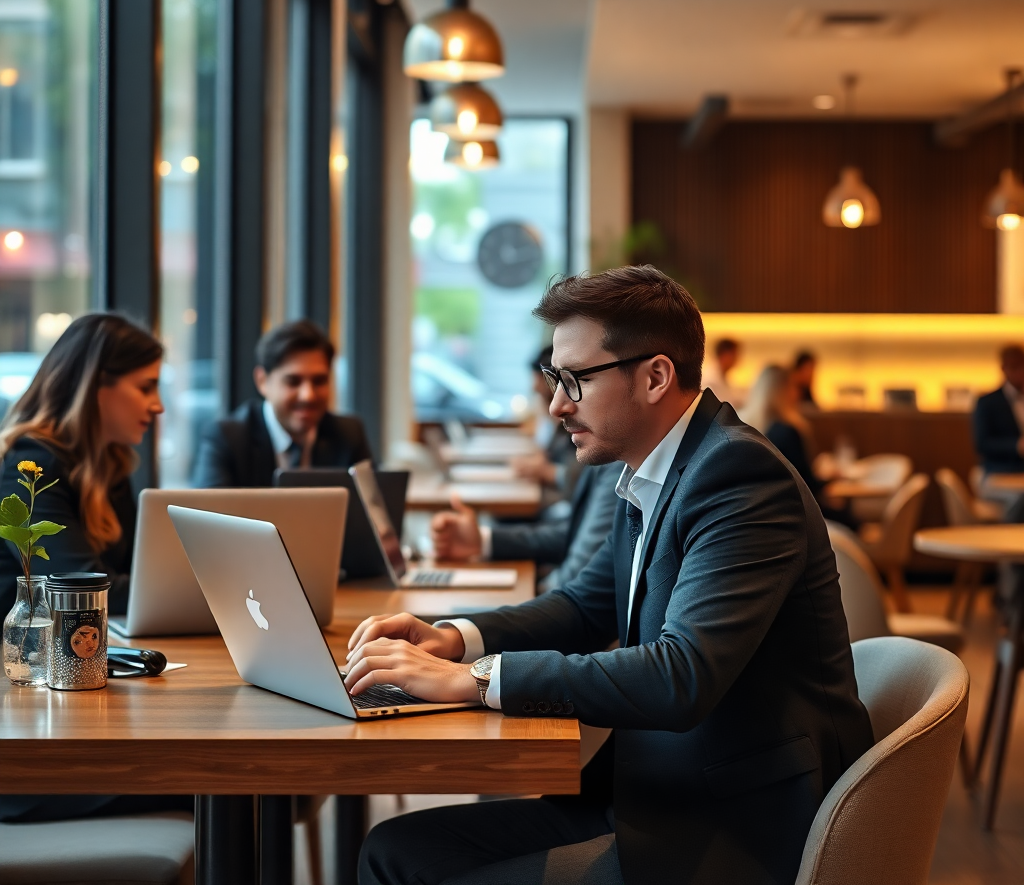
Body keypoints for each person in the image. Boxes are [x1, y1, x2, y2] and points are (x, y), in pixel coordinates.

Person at [346, 265, 873, 885]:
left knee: (414, 866)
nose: (556, 403)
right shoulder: (654, 469)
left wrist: (473, 679)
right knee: (393, 850)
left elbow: (683, 675)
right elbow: (583, 605)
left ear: (654, 377)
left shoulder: (738, 478)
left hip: (733, 827)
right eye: (554, 378)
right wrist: (454, 638)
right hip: (654, 793)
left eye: (575, 380)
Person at [0, 313, 191, 824]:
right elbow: (83, 594)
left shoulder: (110, 466)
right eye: (146, 386)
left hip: (75, 699)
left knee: (226, 778)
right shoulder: (28, 466)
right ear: (94, 386)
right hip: (30, 727)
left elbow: (138, 584)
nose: (159, 404)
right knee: (219, 781)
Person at [192, 319, 372, 487]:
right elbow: (206, 517)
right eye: (293, 382)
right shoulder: (226, 440)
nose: (308, 396)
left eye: (319, 381)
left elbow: (373, 513)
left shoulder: (349, 434)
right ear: (262, 381)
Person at [431, 460, 623, 593]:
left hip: (565, 611)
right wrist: (483, 541)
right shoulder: (610, 459)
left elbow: (578, 591)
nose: (556, 408)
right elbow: (578, 533)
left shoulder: (620, 466)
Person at [741, 365, 852, 528]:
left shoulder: (744, 427)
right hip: (795, 517)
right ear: (782, 391)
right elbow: (806, 485)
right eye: (794, 386)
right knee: (848, 513)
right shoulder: (788, 431)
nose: (798, 393)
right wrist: (832, 478)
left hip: (757, 518)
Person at [509, 345, 580, 505]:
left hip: (562, 504)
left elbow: (581, 477)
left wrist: (544, 471)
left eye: (539, 378)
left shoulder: (575, 420)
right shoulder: (556, 420)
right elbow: (545, 451)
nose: (534, 387)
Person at [974, 344, 1024, 478]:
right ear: (1004, 369)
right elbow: (982, 444)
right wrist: (1017, 446)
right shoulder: (987, 402)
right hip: (999, 472)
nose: (1020, 372)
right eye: (1015, 367)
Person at [700, 337, 744, 407]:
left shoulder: (721, 377)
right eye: (734, 355)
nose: (737, 359)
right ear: (725, 355)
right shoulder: (710, 380)